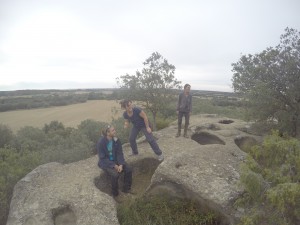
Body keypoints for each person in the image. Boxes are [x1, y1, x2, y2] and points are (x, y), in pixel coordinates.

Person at [97, 125, 132, 198]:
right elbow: (102, 157)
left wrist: (121, 164)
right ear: (107, 133)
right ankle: (115, 194)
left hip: (116, 160)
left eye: (114, 129)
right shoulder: (101, 142)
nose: (115, 131)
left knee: (128, 169)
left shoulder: (116, 140)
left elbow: (119, 153)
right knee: (115, 175)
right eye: (113, 130)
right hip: (106, 163)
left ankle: (126, 189)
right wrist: (114, 165)